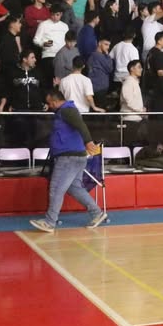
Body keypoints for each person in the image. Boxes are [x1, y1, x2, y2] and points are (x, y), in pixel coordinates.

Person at [29, 88, 106, 233]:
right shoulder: (65, 111)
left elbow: (80, 125)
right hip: (76, 156)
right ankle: (97, 213)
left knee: (56, 188)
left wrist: (89, 142)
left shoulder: (67, 110)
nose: (49, 106)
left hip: (68, 157)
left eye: (50, 103)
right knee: (74, 188)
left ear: (56, 101)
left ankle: (50, 222)